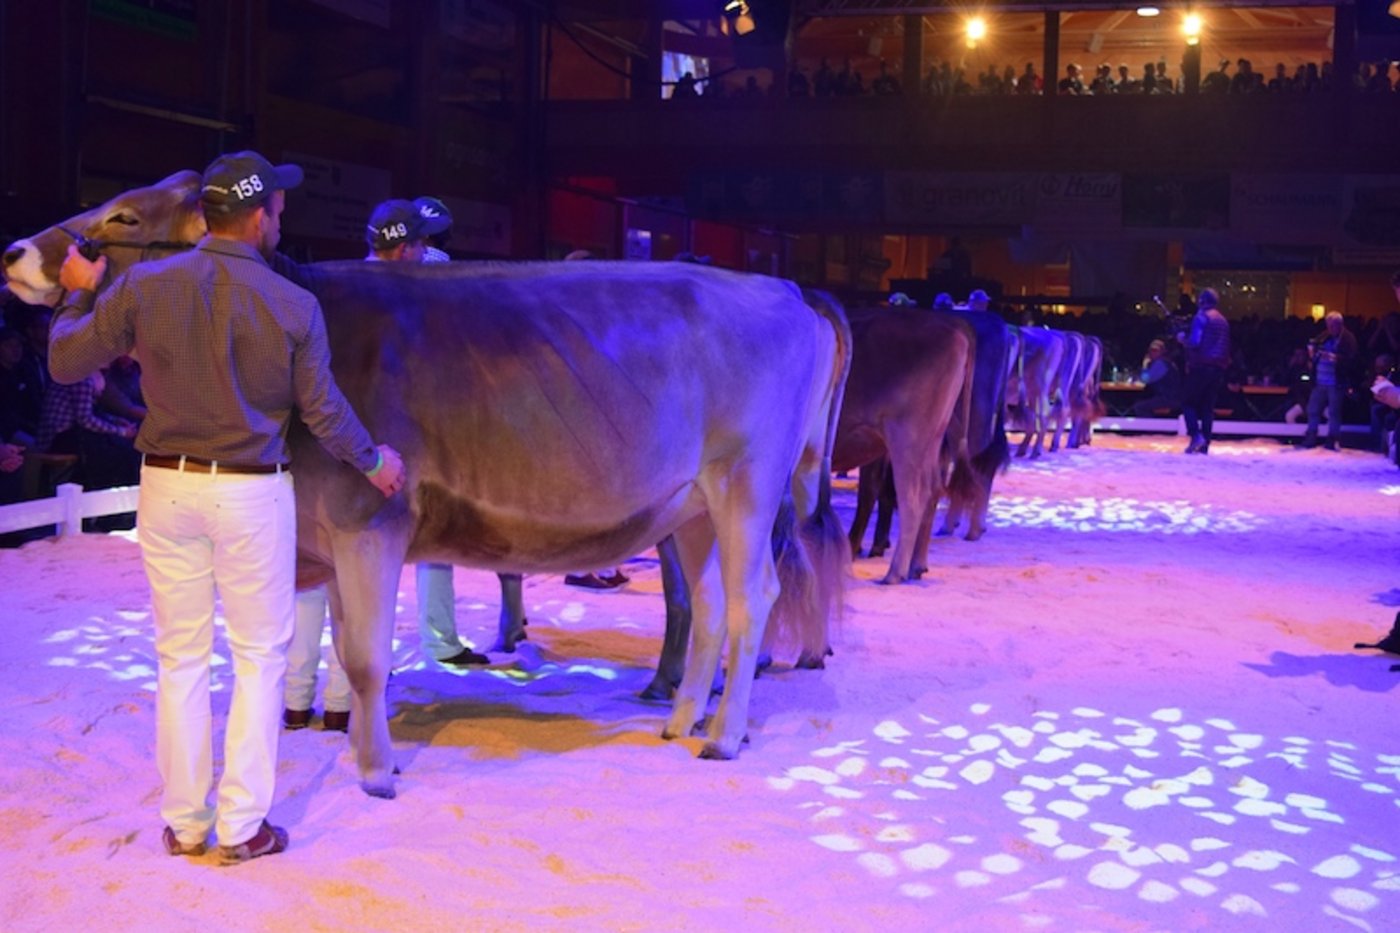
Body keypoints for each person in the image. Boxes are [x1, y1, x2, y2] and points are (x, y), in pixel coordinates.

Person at [49, 150, 406, 864]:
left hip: (166, 485)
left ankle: (184, 822)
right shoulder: (293, 303)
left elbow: (64, 361)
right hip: (248, 490)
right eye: (277, 207)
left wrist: (78, 293)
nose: (282, 218)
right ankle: (244, 825)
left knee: (180, 658)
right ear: (254, 215)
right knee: (257, 658)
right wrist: (373, 460)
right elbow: (324, 410)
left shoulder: (145, 287)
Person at [1178, 287, 1231, 454]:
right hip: (1218, 368)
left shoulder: (1201, 317)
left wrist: (1182, 339)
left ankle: (1195, 436)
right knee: (1208, 407)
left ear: (1202, 301)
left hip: (1201, 366)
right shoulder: (1223, 320)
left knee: (1188, 402)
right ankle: (1205, 443)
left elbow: (1195, 342)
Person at [1302, 311, 1358, 450]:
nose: (1330, 328)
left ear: (1340, 324)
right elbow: (1315, 352)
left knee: (1334, 412)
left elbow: (1353, 361)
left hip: (1336, 382)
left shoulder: (1348, 339)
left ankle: (1332, 439)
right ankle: (1311, 435)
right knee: (1313, 409)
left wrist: (1335, 358)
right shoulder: (1324, 336)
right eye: (1328, 325)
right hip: (1320, 381)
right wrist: (1312, 354)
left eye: (1332, 325)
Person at [1131, 338, 1183, 417]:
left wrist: (1144, 365)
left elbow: (1146, 380)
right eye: (1151, 350)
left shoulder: (1161, 364)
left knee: (1139, 407)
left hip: (1170, 398)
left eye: (1156, 351)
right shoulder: (1163, 362)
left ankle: (1150, 428)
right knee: (1141, 401)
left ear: (1162, 352)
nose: (1152, 353)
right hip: (1171, 397)